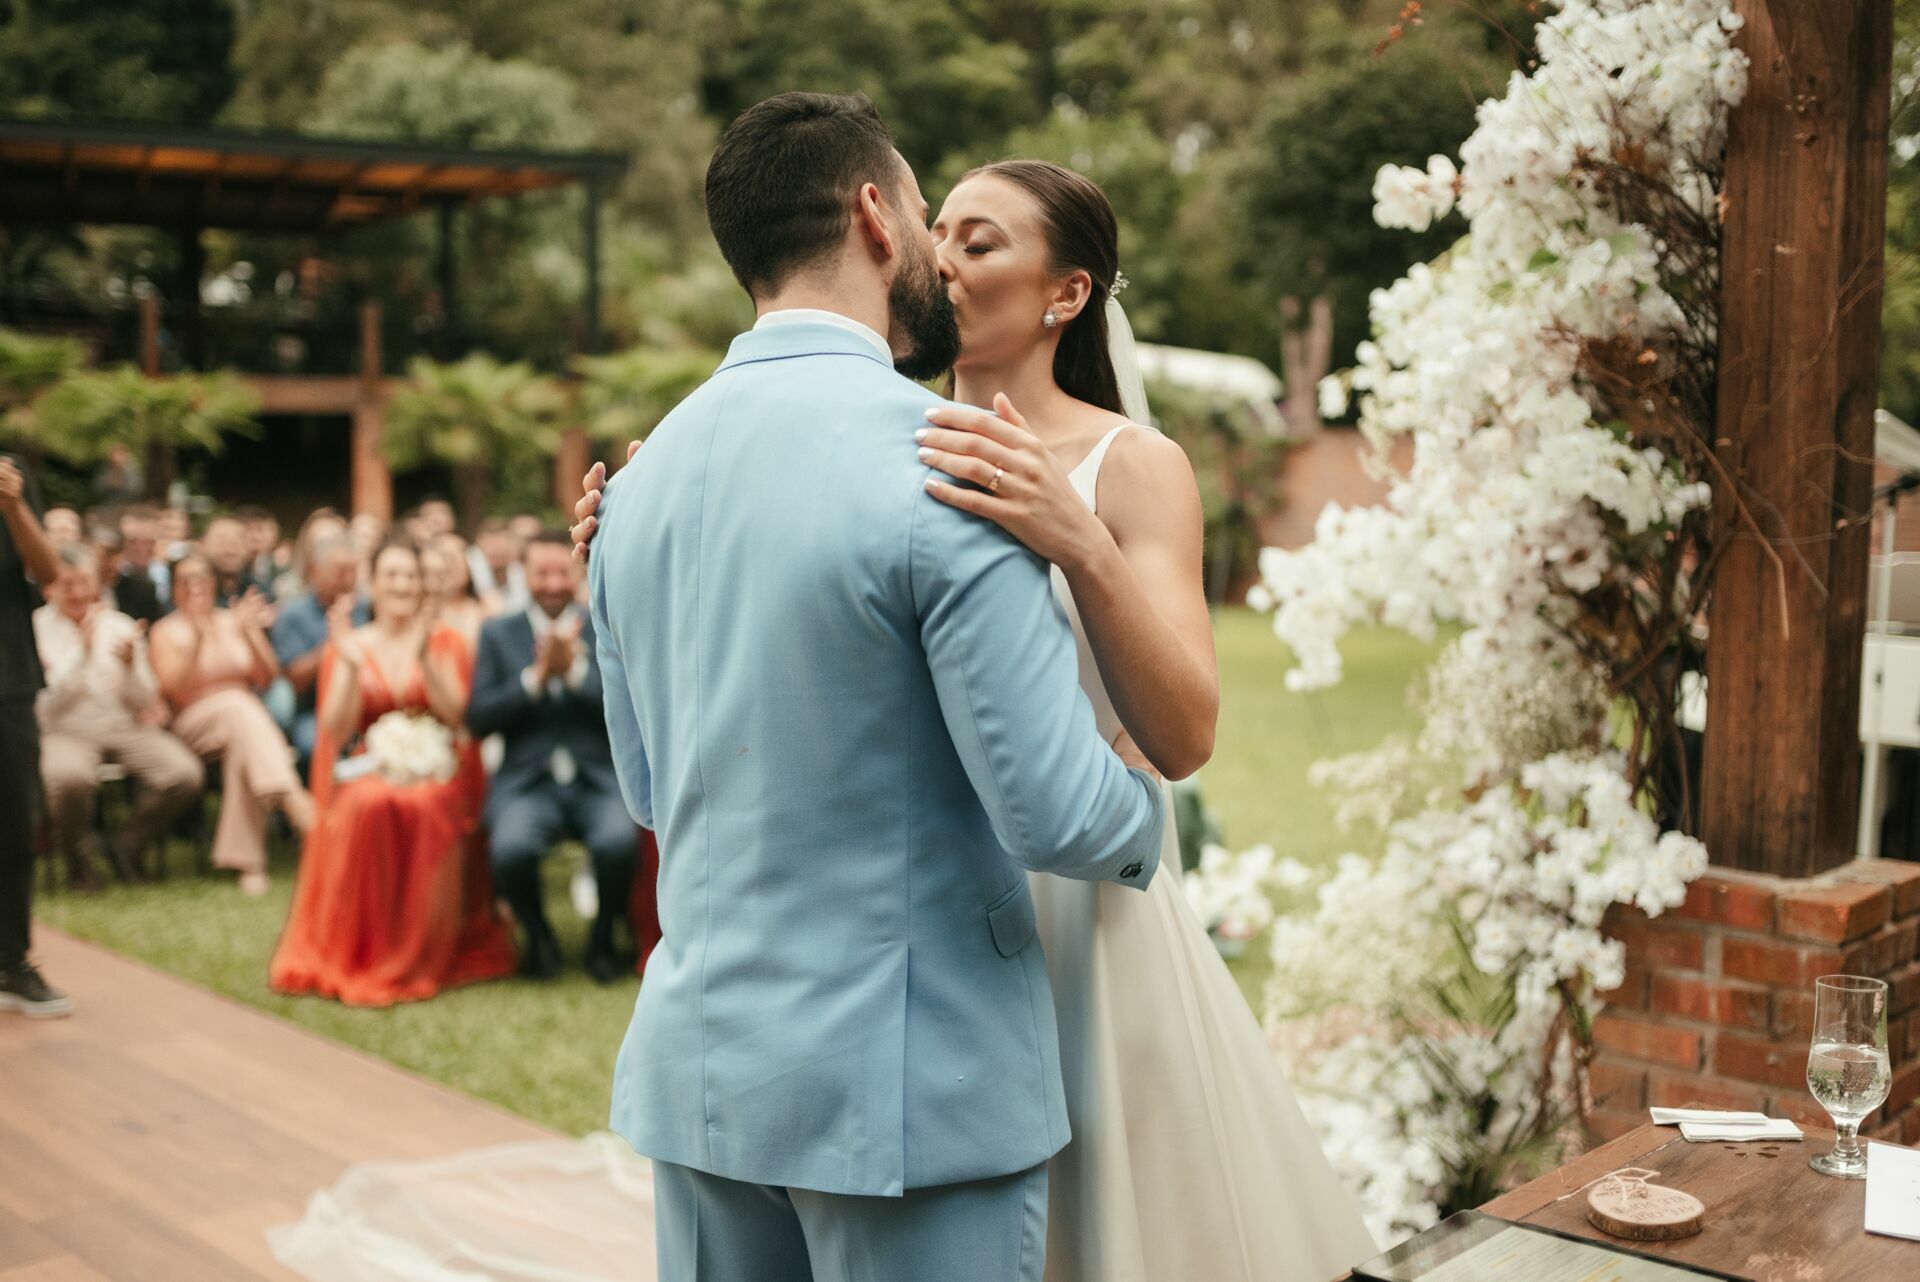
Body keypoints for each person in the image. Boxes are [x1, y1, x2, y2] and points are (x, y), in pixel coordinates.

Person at [575, 159, 1379, 1282]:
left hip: (1079, 920)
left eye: (982, 240)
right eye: (935, 228)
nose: (941, 256)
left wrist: (1081, 542)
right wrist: (636, 564)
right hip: (918, 941)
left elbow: (1185, 737)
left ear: (1068, 294)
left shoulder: (1131, 463)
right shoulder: (882, 451)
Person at [583, 93, 1166, 1282]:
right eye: (920, 209)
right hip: (907, 1094)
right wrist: (1146, 805)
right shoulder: (951, 467)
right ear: (873, 217)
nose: (938, 253)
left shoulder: (635, 486)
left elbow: (647, 788)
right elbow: (1053, 812)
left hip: (702, 1083)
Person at [268, 539, 517, 1006]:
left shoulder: (445, 640)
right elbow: (337, 727)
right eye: (392, 575)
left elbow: (460, 720)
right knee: (369, 801)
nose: (401, 585)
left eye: (410, 576)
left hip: (438, 767)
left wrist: (424, 658)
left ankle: (421, 948)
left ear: (423, 585)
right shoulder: (352, 644)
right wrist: (342, 659)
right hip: (372, 765)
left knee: (421, 805)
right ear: (373, 584)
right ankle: (367, 947)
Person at [467, 531, 638, 984]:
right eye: (542, 573)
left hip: (598, 779)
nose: (553, 583)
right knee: (511, 848)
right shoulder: (498, 633)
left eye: (562, 571)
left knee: (620, 842)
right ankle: (539, 938)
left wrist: (577, 673)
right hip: (528, 783)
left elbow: (631, 707)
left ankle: (603, 941)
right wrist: (535, 678)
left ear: (577, 572)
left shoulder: (606, 625)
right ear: (524, 575)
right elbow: (479, 717)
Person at [34, 543, 203, 888]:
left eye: (84, 582)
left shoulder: (119, 626)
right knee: (68, 780)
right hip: (64, 732)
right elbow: (43, 708)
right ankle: (79, 865)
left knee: (183, 774)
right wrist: (80, 655)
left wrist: (129, 667)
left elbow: (144, 700)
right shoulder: (36, 629)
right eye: (67, 584)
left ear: (96, 584)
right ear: (49, 587)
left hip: (123, 727)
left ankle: (126, 844)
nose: (78, 592)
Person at [150, 553, 313, 894]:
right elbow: (174, 692)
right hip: (193, 722)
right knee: (240, 707)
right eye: (185, 581)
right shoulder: (165, 630)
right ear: (174, 589)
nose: (195, 588)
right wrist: (195, 638)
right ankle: (294, 800)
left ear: (214, 584)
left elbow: (269, 677)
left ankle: (249, 863)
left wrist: (251, 633)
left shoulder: (232, 619)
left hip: (243, 722)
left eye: (201, 579)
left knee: (243, 736)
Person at [0, 453, 70, 1017]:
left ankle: (12, 961)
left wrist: (15, 506)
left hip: (9, 678)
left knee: (15, 824)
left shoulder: (13, 475)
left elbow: (49, 574)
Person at [270, 532, 365, 768]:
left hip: (367, 705)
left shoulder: (367, 607)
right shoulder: (293, 615)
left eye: (353, 571)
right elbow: (295, 680)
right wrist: (335, 642)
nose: (348, 580)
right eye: (340, 571)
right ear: (314, 571)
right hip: (314, 712)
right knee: (313, 743)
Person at [421, 532, 487, 648]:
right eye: (447, 558)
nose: (454, 565)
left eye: (462, 556)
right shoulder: (423, 611)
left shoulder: (485, 609)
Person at [201, 514, 273, 605]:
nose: (231, 549)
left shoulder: (259, 591)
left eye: (238, 541)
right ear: (203, 545)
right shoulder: (189, 592)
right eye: (222, 540)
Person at [467, 518, 526, 614]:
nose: (495, 551)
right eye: (489, 545)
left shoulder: (520, 570)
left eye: (500, 545)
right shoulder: (469, 569)